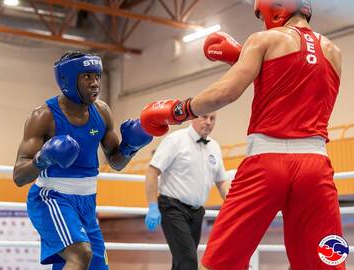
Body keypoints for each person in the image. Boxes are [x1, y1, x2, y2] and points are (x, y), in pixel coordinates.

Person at [140, 0, 347, 269]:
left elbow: (225, 92)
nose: (262, 22)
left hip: (267, 163)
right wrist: (245, 59)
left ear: (276, 9)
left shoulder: (264, 39)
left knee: (219, 262)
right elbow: (294, 84)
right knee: (325, 262)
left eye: (262, 16)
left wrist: (179, 110)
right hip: (316, 165)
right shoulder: (335, 52)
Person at [13, 51, 152, 270]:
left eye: (97, 76)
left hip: (87, 202)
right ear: (68, 79)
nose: (95, 83)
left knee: (95, 266)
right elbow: (18, 176)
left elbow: (116, 162)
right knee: (80, 255)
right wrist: (44, 158)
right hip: (52, 198)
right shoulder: (43, 116)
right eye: (87, 76)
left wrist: (130, 146)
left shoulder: (102, 112)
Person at [144, 112, 229, 270]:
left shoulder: (214, 147)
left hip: (197, 213)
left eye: (213, 118)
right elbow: (152, 171)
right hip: (172, 208)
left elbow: (222, 181)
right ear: (194, 117)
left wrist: (233, 205)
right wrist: (152, 206)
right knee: (188, 261)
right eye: (204, 117)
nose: (209, 122)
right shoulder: (175, 140)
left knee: (181, 263)